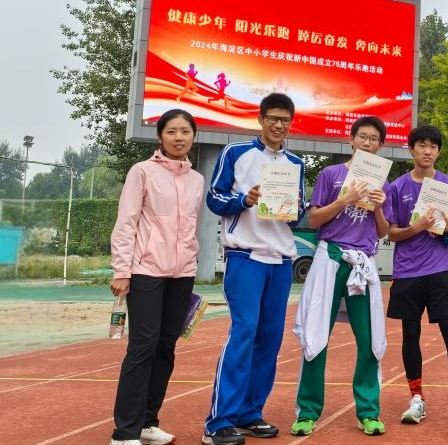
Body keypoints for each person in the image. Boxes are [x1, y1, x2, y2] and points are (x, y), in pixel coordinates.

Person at [203, 93, 306, 445]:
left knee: (269, 339)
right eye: (272, 118)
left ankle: (250, 412)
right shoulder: (235, 153)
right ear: (260, 119)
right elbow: (214, 198)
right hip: (245, 256)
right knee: (244, 332)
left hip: (281, 260)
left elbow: (297, 216)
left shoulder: (295, 162)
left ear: (291, 123)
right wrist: (244, 199)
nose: (278, 125)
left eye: (285, 120)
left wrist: (295, 208)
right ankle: (218, 421)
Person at [108, 109, 205, 445]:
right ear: (160, 136)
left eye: (185, 132)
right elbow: (126, 222)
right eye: (171, 131)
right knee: (143, 346)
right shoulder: (142, 172)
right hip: (145, 270)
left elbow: (191, 226)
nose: (179, 138)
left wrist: (191, 261)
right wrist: (122, 270)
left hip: (182, 273)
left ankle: (148, 423)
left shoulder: (197, 180)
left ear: (194, 136)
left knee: (166, 347)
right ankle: (124, 432)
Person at [290, 116, 391, 437]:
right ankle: (307, 411)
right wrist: (344, 199)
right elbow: (314, 219)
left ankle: (368, 411)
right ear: (351, 139)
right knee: (316, 334)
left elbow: (383, 231)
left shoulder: (383, 183)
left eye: (373, 139)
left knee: (370, 339)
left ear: (381, 145)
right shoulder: (331, 174)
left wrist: (378, 207)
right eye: (362, 137)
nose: (367, 143)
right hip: (330, 258)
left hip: (363, 263)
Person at [383, 125, 448, 427]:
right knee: (410, 335)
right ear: (411, 149)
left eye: (433, 146)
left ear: (438, 151)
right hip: (407, 271)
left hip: (441, 270)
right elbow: (391, 233)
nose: (427, 151)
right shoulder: (396, 187)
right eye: (422, 145)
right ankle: (416, 398)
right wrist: (417, 227)